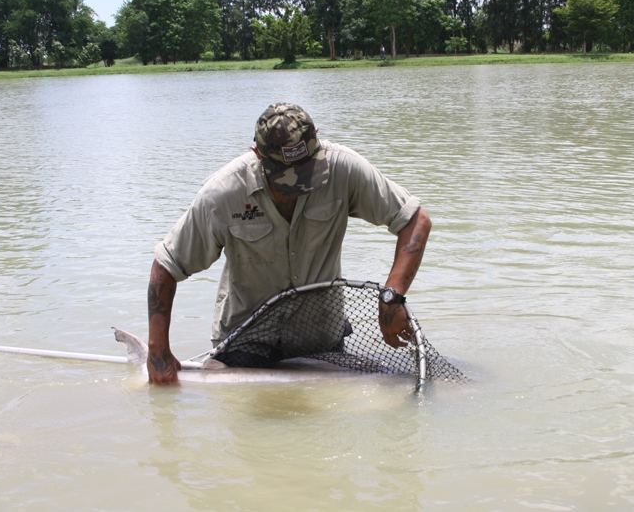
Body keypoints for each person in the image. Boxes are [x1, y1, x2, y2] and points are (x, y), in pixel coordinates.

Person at [147, 103, 431, 385]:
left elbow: (415, 221)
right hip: (246, 340)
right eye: (285, 176)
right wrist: (158, 352)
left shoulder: (342, 169)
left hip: (320, 339)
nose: (298, 185)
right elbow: (167, 265)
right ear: (257, 155)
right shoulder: (223, 194)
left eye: (307, 170)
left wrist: (392, 297)